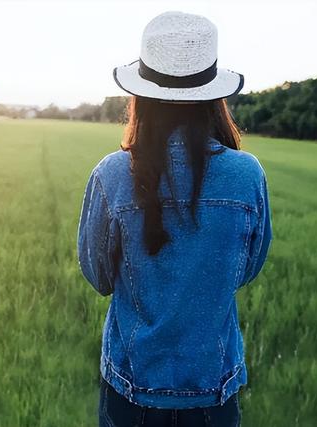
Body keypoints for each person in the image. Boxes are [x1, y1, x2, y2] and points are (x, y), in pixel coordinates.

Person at [77, 11, 273, 427]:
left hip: (132, 388)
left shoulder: (111, 175)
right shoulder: (247, 174)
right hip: (213, 391)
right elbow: (246, 269)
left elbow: (98, 277)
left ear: (140, 96)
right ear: (214, 97)